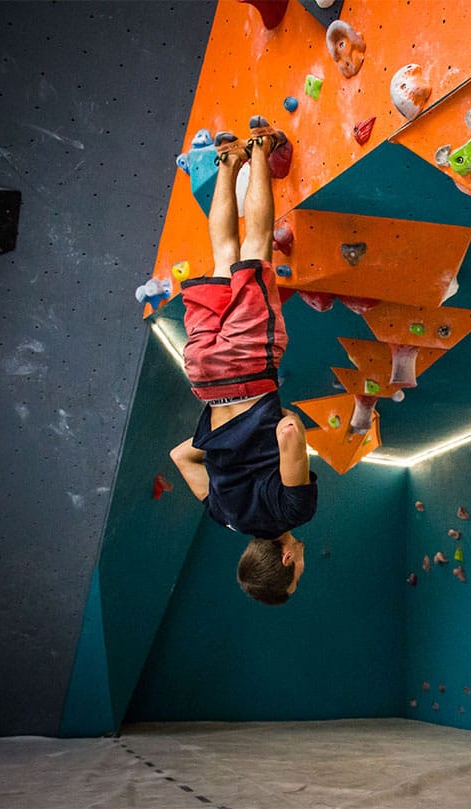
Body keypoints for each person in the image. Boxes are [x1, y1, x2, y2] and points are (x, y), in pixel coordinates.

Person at [170, 116, 317, 606]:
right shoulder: (223, 514)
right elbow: (181, 456)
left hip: (249, 369)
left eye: (297, 575)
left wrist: (281, 426)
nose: (302, 566)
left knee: (252, 254)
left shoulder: (292, 511)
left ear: (287, 562)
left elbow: (289, 435)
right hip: (206, 378)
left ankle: (259, 149)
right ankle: (229, 161)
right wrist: (225, 442)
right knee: (221, 259)